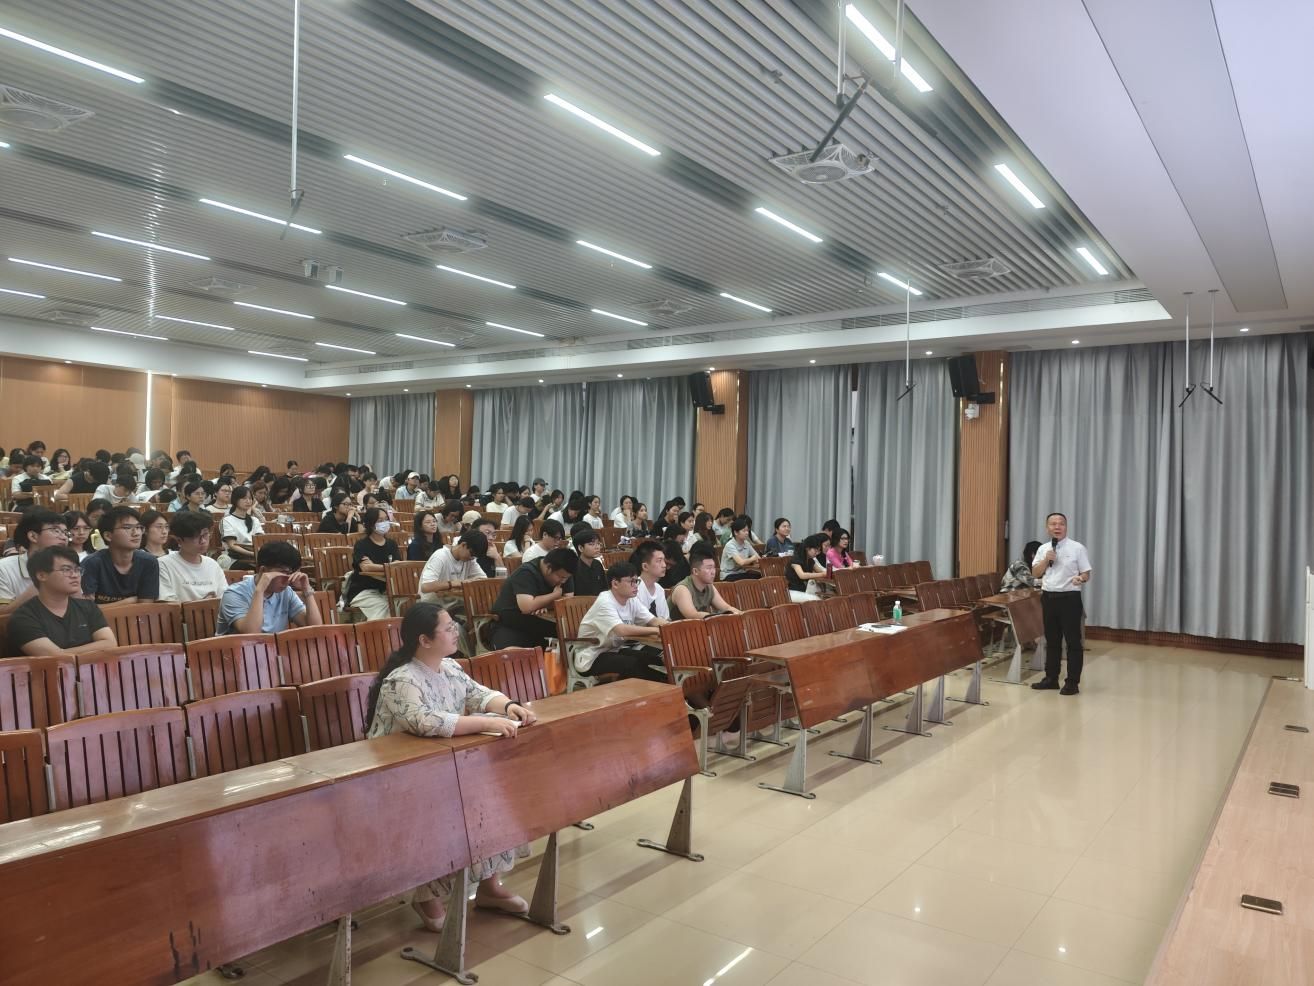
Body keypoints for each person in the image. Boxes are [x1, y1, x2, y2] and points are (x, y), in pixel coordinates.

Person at [365, 602, 536, 931]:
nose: (455, 630)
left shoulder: (450, 667)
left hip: (441, 765)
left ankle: (489, 886)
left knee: (492, 798)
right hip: (400, 776)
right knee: (435, 812)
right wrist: (487, 723)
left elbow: (478, 694)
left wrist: (508, 706)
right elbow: (425, 721)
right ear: (424, 640)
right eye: (447, 627)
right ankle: (426, 896)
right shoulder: (401, 680)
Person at [7, 546, 117, 656]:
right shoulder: (23, 617)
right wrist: (95, 648)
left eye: (77, 570)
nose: (75, 575)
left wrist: (63, 653)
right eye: (66, 570)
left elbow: (110, 644)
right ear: (42, 575)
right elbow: (55, 658)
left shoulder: (88, 607)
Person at [1030, 513, 1092, 696]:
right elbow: (1035, 573)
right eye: (1053, 524)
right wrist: (1046, 559)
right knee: (1052, 640)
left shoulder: (1077, 548)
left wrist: (1081, 578)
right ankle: (1051, 678)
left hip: (1070, 598)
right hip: (1049, 598)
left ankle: (1072, 682)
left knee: (1073, 642)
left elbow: (1086, 573)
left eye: (1061, 524)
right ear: (1047, 528)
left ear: (1066, 527)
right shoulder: (1043, 549)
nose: (1057, 527)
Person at [575, 563, 669, 681]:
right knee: (633, 664)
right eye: (631, 582)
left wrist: (672, 627)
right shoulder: (605, 602)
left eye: (637, 581)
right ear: (615, 583)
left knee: (654, 659)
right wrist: (655, 630)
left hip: (614, 650)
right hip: (591, 657)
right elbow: (621, 630)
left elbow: (653, 620)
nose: (636, 586)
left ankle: (667, 684)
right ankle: (665, 686)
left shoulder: (632, 600)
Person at [217, 541, 323, 634]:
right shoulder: (234, 594)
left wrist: (307, 590)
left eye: (291, 574)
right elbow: (251, 634)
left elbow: (315, 629)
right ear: (263, 570)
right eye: (283, 573)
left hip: (273, 649)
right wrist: (260, 591)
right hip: (236, 650)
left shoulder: (286, 592)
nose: (287, 580)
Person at [489, 548, 578, 650]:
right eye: (561, 577)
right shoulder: (526, 572)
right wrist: (554, 596)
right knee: (513, 655)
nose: (563, 581)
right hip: (510, 623)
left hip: (539, 623)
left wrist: (543, 604)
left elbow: (567, 600)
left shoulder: (564, 571)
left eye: (567, 578)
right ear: (549, 568)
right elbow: (527, 607)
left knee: (571, 638)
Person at [79, 506, 161, 604]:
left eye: (138, 527)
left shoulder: (149, 562)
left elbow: (145, 607)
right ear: (108, 536)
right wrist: (130, 601)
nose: (136, 533)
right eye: (127, 528)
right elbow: (87, 610)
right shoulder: (91, 563)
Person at [0, 509, 70, 613]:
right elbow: (2, 615)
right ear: (33, 536)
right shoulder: (4, 569)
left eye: (65, 532)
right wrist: (39, 588)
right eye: (56, 530)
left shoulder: (71, 567)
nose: (64, 537)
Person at [343, 507, 401, 621]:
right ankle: (379, 631)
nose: (384, 523)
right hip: (363, 591)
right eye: (380, 521)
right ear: (371, 524)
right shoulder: (361, 545)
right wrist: (388, 567)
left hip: (386, 590)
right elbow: (366, 568)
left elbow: (397, 566)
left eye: (386, 519)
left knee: (399, 605)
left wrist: (376, 566)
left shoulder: (392, 544)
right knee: (384, 606)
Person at [158, 511, 228, 602]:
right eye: (196, 536)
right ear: (179, 540)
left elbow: (225, 598)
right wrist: (202, 604)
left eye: (205, 534)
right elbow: (168, 604)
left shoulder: (212, 565)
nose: (203, 541)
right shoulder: (163, 565)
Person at [419, 530, 487, 622]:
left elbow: (483, 580)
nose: (472, 558)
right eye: (471, 554)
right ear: (463, 545)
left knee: (482, 613)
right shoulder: (440, 556)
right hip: (432, 607)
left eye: (475, 557)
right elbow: (425, 587)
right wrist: (453, 584)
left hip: (454, 605)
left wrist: (466, 584)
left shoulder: (470, 560)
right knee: (469, 619)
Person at [671, 546, 740, 620]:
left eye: (714, 567)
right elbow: (692, 615)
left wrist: (741, 614)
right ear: (695, 571)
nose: (713, 572)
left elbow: (726, 607)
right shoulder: (682, 589)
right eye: (709, 568)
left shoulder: (709, 586)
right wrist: (717, 616)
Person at [630, 540, 670, 620]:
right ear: (645, 566)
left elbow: (666, 619)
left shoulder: (659, 589)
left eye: (664, 560)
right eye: (659, 561)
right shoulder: (634, 589)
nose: (664, 565)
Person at [788, 534, 832, 602]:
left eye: (819, 551)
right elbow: (802, 575)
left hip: (803, 590)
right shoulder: (796, 560)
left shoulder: (810, 560)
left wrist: (829, 573)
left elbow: (820, 571)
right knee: (816, 600)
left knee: (827, 597)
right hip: (791, 591)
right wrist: (822, 574)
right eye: (816, 550)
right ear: (807, 548)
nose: (817, 553)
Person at [570, 528, 607, 596]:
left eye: (598, 543)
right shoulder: (573, 568)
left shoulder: (598, 564)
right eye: (592, 544)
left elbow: (604, 588)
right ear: (581, 548)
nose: (597, 547)